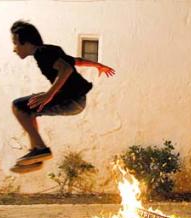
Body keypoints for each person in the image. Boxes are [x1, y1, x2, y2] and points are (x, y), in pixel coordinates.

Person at [9, 20, 115, 173]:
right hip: (76, 100)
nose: (14, 49)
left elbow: (66, 69)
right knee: (30, 107)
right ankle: (36, 153)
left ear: (26, 42)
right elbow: (75, 61)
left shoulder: (42, 53)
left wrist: (48, 95)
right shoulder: (51, 50)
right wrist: (98, 65)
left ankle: (40, 149)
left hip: (70, 100)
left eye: (15, 44)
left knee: (18, 106)